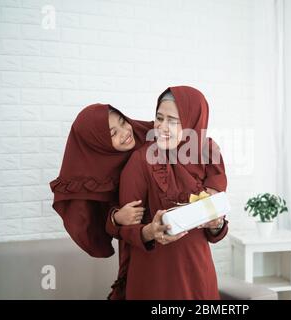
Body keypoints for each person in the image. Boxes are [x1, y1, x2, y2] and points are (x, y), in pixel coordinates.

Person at [49, 102, 226, 299]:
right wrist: (116, 217)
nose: (125, 132)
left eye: (123, 122)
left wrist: (216, 220)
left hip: (193, 264)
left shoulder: (154, 137)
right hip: (150, 260)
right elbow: (97, 219)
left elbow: (187, 132)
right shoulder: (114, 168)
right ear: (98, 142)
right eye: (112, 133)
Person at [113, 86, 228, 299]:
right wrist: (150, 231)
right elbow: (125, 229)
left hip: (198, 276)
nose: (162, 127)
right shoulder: (141, 161)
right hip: (154, 279)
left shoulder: (208, 156)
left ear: (193, 122)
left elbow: (215, 230)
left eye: (173, 121)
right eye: (159, 118)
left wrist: (217, 224)